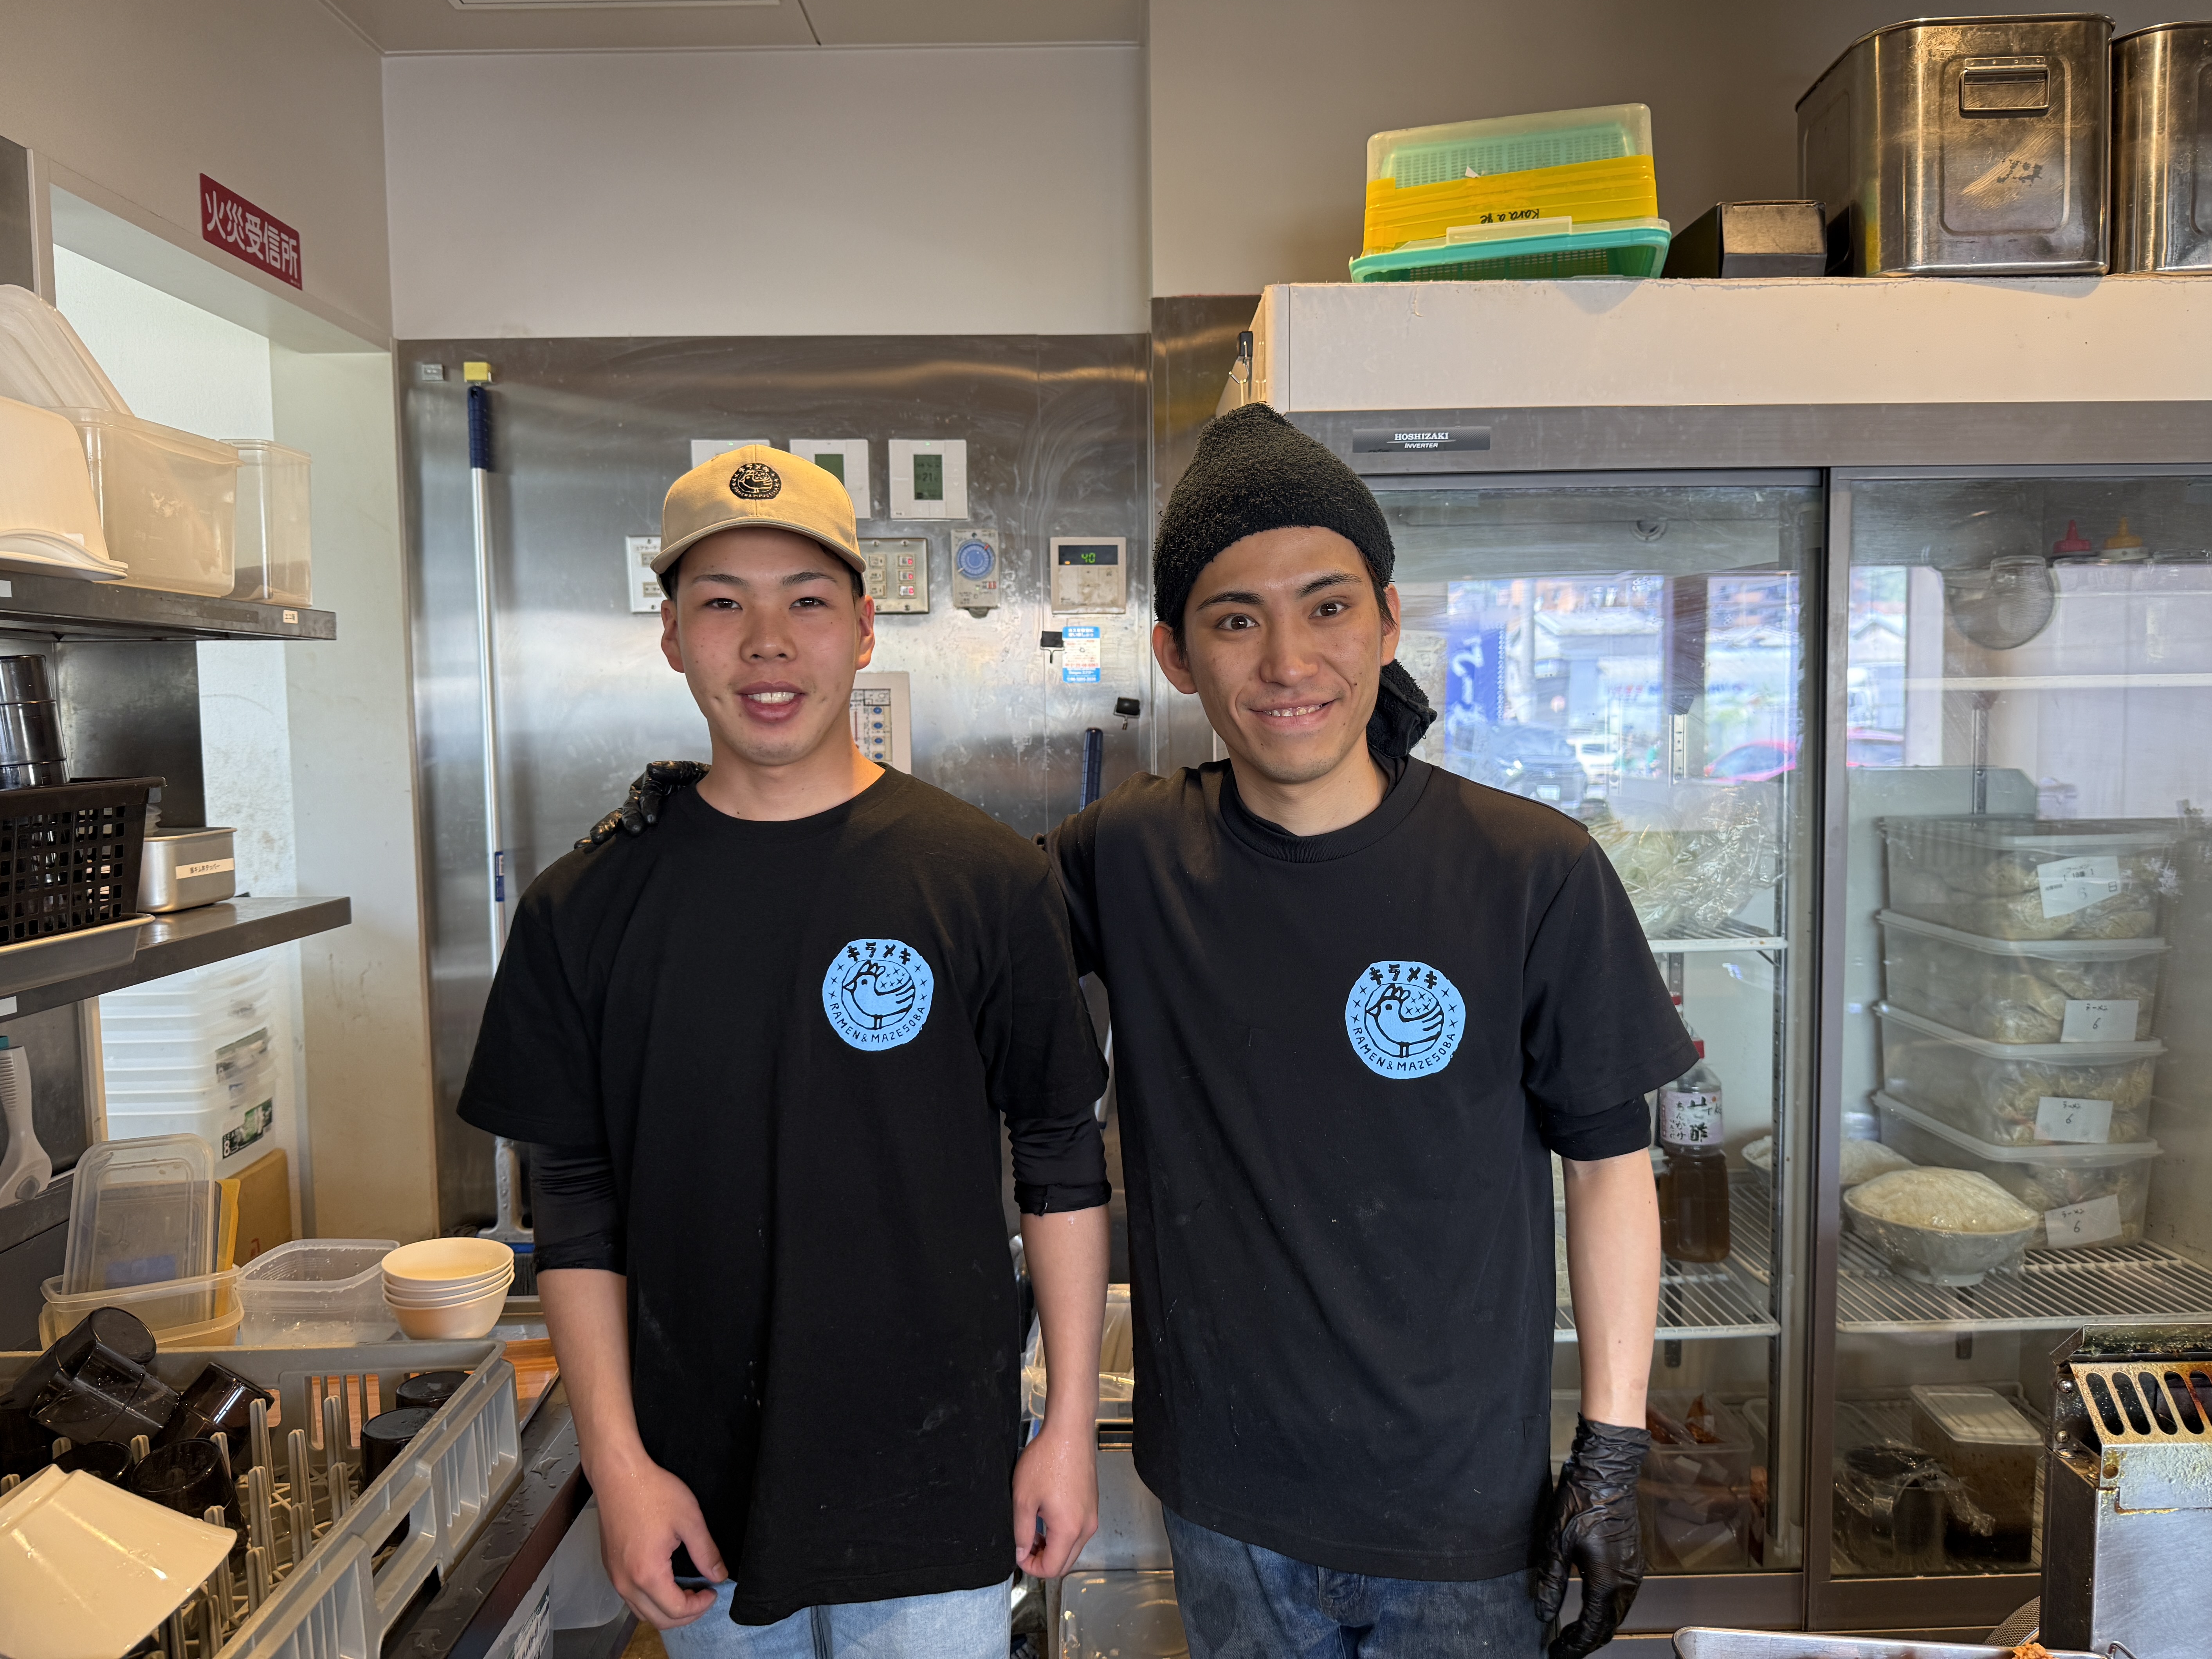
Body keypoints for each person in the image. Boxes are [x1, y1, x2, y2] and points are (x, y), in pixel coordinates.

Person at [592, 409, 1691, 1658]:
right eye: (1236, 620)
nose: (1288, 660)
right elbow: (922, 910)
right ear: (1174, 653)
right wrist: (713, 821)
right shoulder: (1132, 853)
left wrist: (1612, 1447)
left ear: (1388, 622)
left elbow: (1609, 1165)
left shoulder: (1530, 869)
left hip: (1466, 1513)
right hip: (1227, 1508)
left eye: (1328, 608)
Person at [460, 445, 1114, 1659]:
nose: (767, 643)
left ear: (863, 629)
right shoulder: (583, 908)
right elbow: (575, 1203)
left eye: (806, 601)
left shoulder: (984, 880)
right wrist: (618, 1464)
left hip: (936, 1489)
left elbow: (1061, 1155)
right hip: (698, 1500)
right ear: (671, 635)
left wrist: (1065, 1425)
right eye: (723, 602)